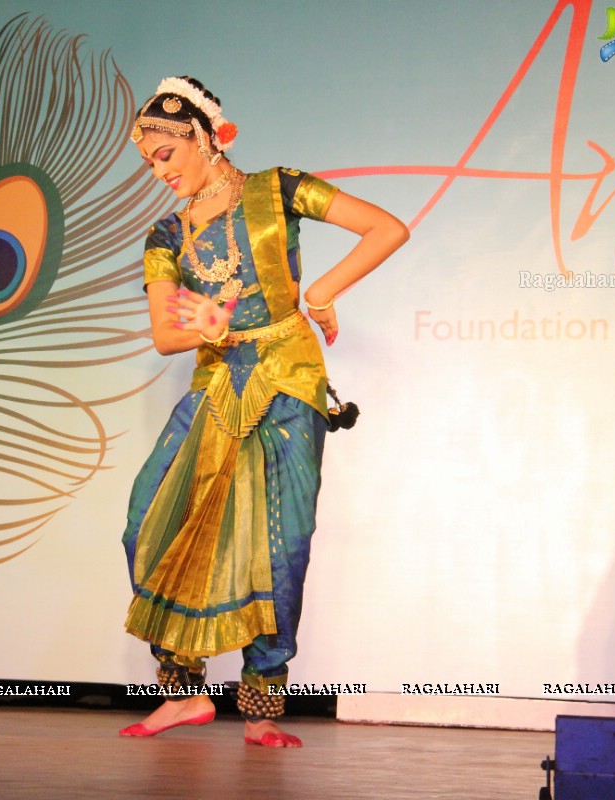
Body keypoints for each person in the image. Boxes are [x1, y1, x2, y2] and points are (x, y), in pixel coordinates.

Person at [120, 76, 408, 747]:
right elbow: (168, 333)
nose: (158, 172)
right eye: (148, 163)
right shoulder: (166, 233)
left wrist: (326, 291)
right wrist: (213, 325)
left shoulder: (278, 191)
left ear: (202, 138)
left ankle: (261, 705)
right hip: (217, 382)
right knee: (148, 521)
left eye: (166, 156)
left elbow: (385, 227)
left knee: (281, 543)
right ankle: (184, 690)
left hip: (287, 378)